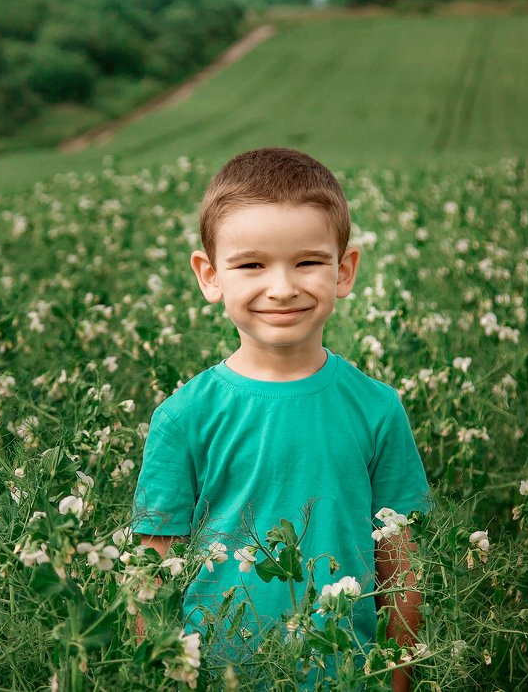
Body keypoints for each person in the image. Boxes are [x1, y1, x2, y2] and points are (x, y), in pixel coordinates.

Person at [130, 147, 431, 691]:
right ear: (209, 275)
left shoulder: (378, 407)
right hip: (220, 679)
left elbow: (401, 569)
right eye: (251, 264)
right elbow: (152, 578)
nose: (283, 287)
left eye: (308, 262)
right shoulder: (182, 417)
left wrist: (396, 679)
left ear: (345, 271)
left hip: (346, 678)